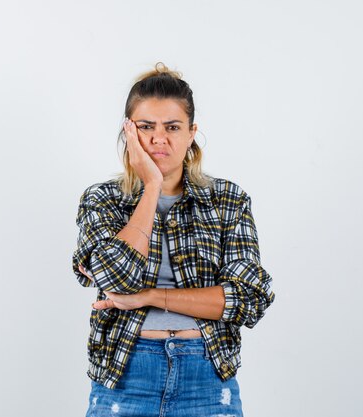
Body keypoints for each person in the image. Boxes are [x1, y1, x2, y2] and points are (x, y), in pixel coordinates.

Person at [72, 62, 275, 417]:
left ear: (191, 132)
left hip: (207, 377)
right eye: (146, 127)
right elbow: (116, 278)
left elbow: (248, 298)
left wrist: (151, 297)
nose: (158, 139)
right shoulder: (102, 199)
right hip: (126, 370)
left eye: (172, 127)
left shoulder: (228, 199)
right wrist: (151, 185)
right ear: (128, 131)